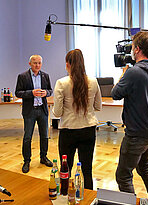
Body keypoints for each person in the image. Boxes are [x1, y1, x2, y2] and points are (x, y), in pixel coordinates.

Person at [112, 31, 148, 200]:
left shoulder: (133, 72)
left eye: (132, 47)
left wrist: (124, 73)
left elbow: (115, 94)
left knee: (123, 176)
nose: (131, 50)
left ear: (138, 49)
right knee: (143, 168)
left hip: (137, 134)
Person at [52, 49, 102, 189]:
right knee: (87, 170)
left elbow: (57, 113)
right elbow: (98, 106)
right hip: (88, 129)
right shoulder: (93, 81)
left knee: (65, 170)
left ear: (68, 64)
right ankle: (89, 199)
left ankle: (64, 196)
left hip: (68, 131)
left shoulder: (61, 83)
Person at [15, 55, 54, 173]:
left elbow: (50, 90)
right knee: (27, 137)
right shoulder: (22, 76)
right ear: (30, 64)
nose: (37, 65)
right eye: (35, 63)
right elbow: (18, 93)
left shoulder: (45, 76)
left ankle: (43, 157)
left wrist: (45, 93)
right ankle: (27, 160)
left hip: (42, 110)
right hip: (29, 110)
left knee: (44, 135)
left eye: (39, 63)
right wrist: (31, 93)